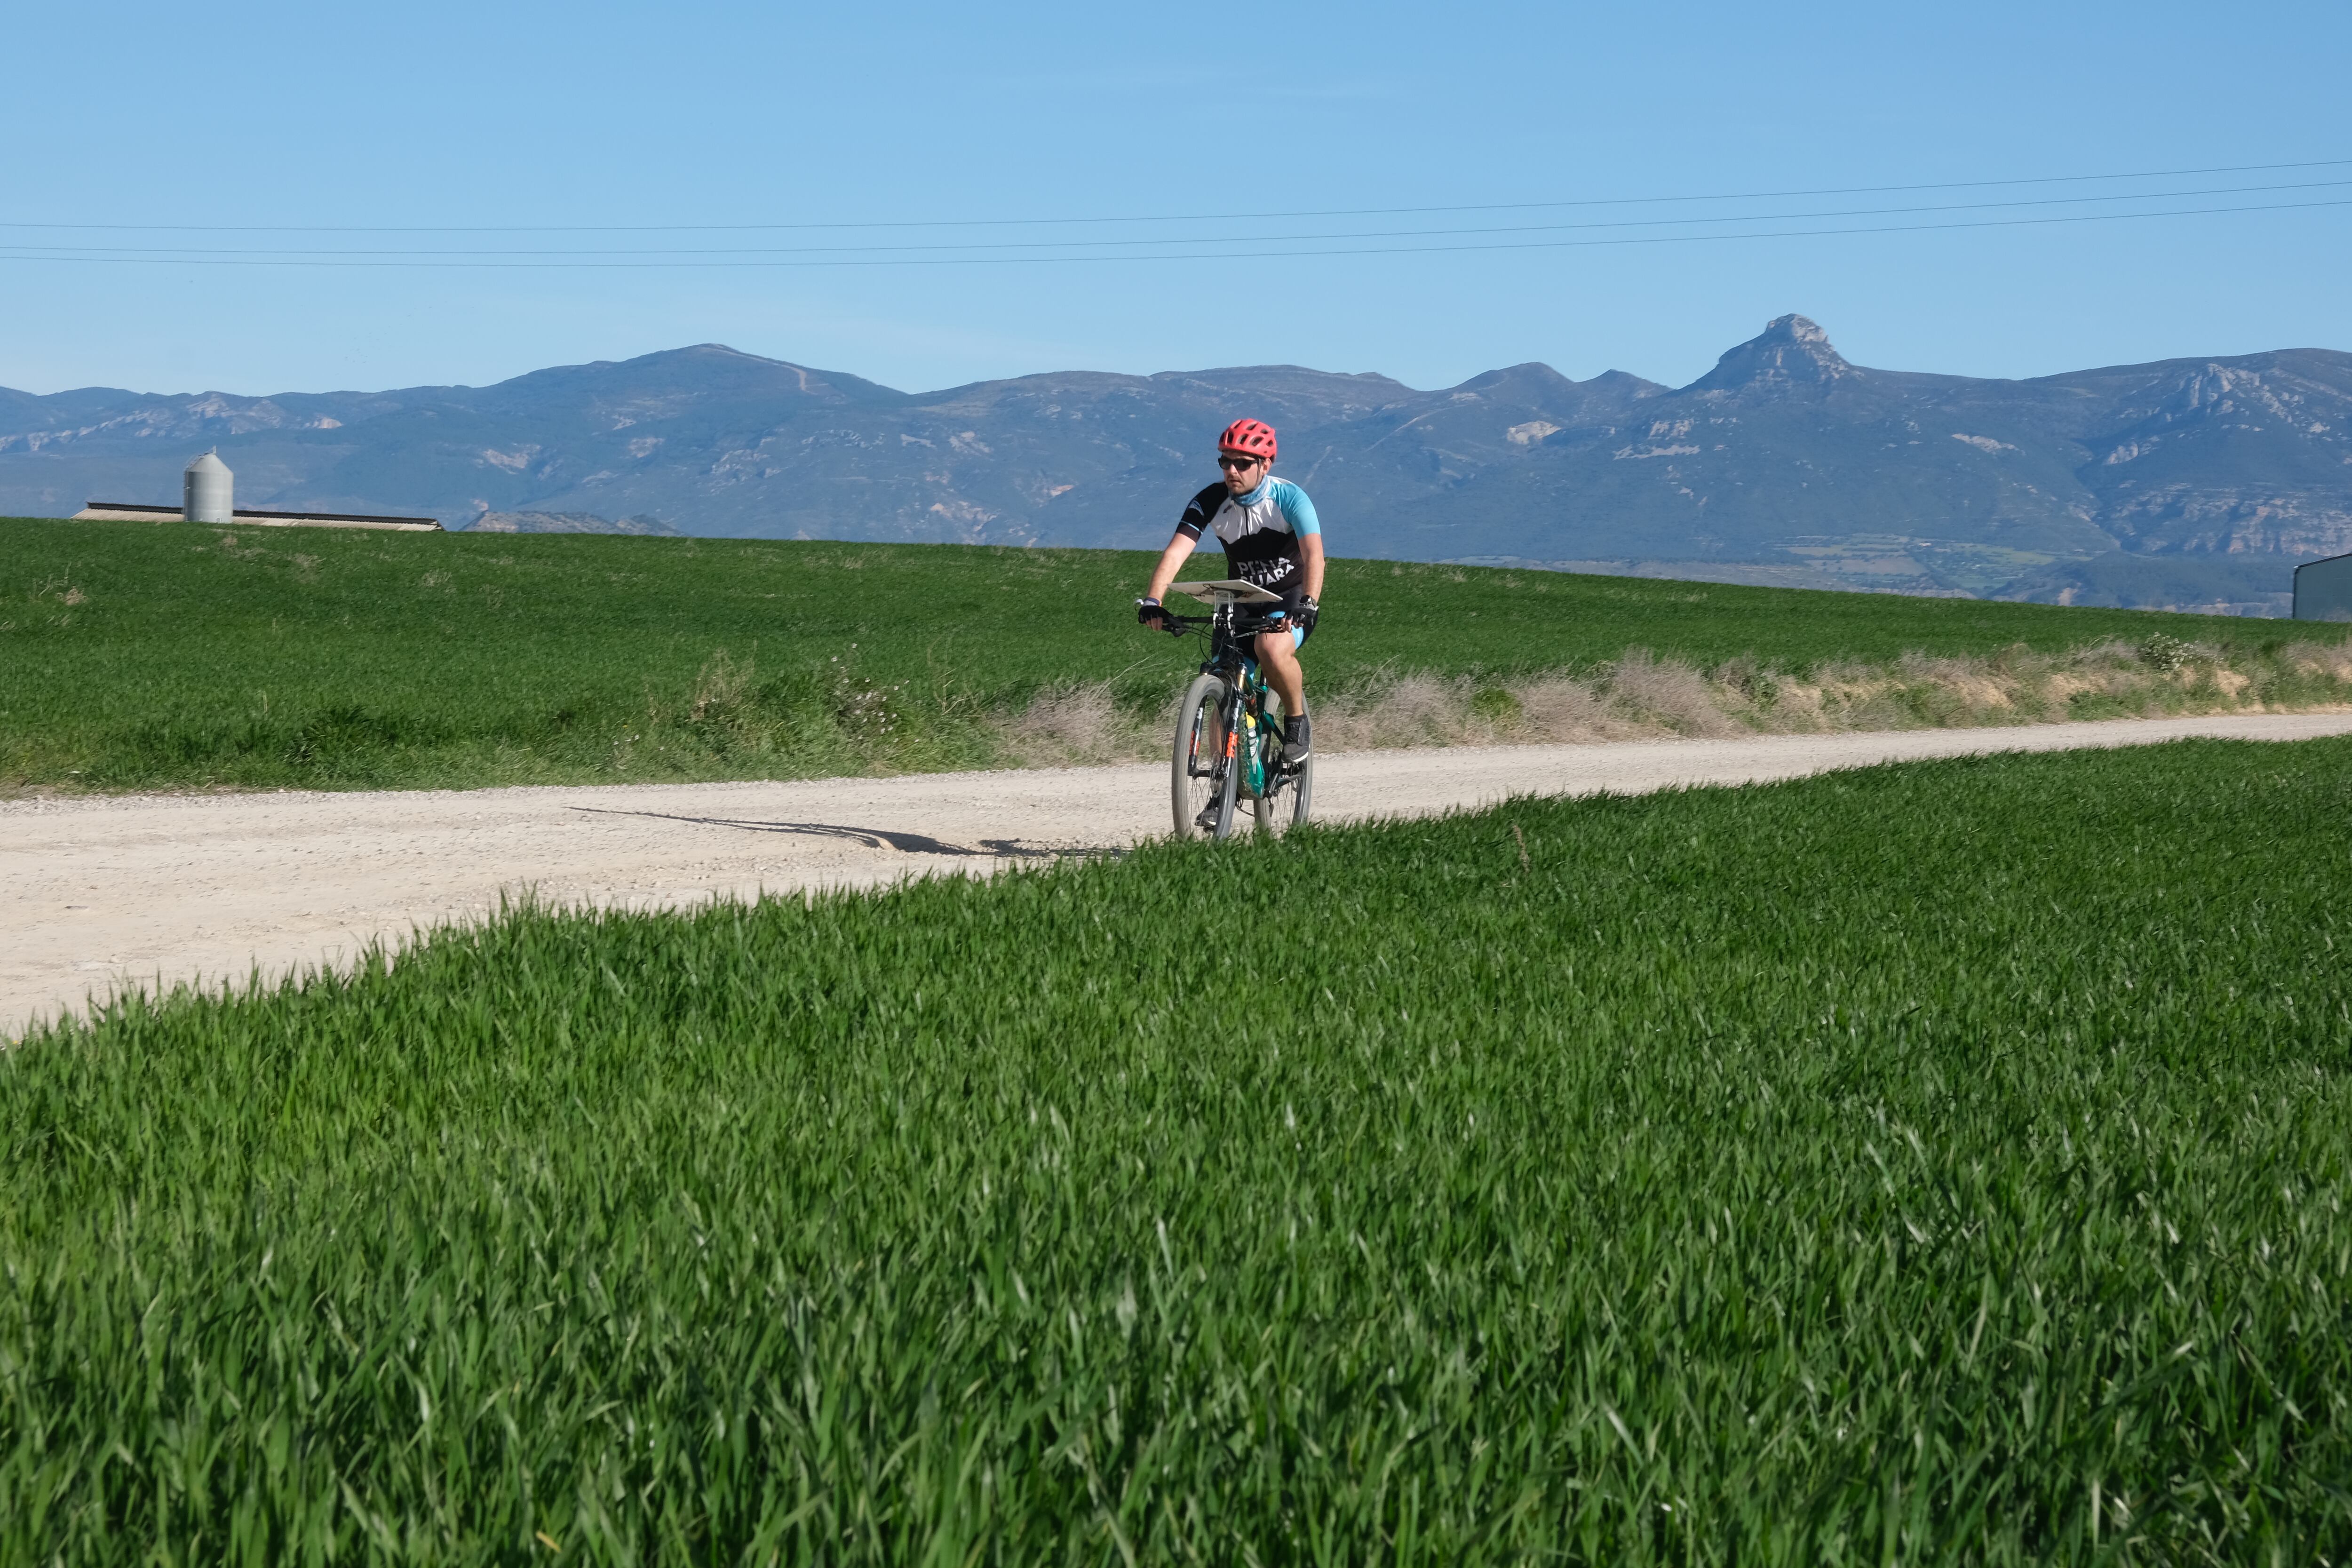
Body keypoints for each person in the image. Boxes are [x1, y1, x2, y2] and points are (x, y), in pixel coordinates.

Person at [1135, 418, 1324, 761]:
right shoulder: (1210, 500)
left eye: (1243, 462)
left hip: (1291, 598)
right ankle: (1221, 788)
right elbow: (1176, 552)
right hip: (1243, 599)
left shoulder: (1291, 498)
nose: (1232, 470)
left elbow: (1314, 556)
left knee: (1270, 647)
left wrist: (1308, 602)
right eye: (1225, 461)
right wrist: (1154, 600)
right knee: (1224, 679)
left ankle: (1296, 719)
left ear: (1266, 465)